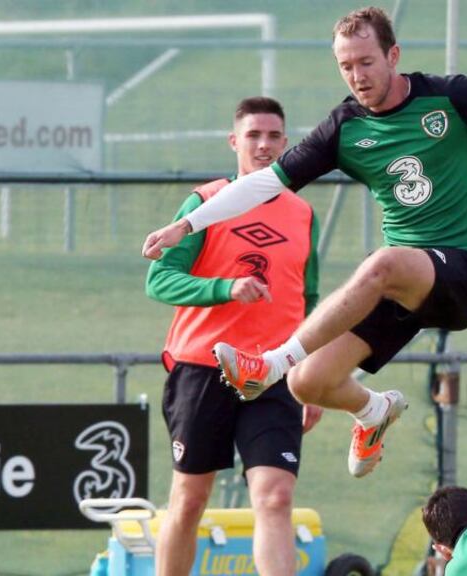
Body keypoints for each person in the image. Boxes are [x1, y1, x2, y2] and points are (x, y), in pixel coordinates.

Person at [141, 7, 467, 480]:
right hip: (406, 285)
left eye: (366, 62)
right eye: (346, 66)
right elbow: (265, 184)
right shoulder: (344, 127)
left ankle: (268, 364)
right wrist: (186, 226)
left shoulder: (449, 96)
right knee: (310, 382)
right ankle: (372, 412)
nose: (357, 76)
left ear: (392, 55)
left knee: (381, 264)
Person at [145, 96, 323, 576]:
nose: (264, 145)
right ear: (234, 141)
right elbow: (160, 279)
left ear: (286, 144)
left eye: (273, 137)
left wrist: (312, 374)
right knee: (189, 498)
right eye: (253, 136)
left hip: (273, 375)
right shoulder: (204, 204)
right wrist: (226, 288)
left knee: (275, 495)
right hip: (203, 370)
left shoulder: (302, 214)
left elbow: (308, 299)